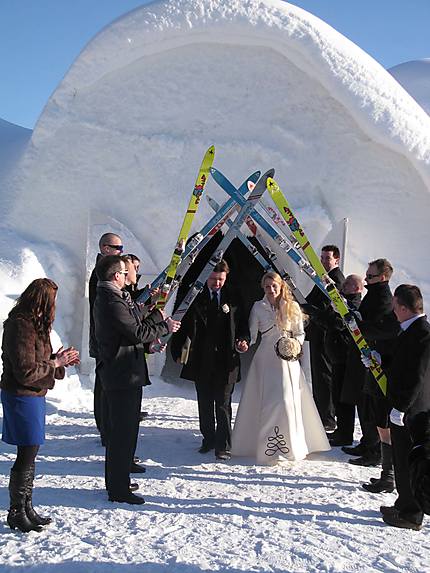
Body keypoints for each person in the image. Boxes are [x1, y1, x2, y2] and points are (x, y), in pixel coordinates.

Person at [93, 255, 180, 504]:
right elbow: (137, 332)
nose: (127, 275)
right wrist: (164, 326)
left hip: (126, 372)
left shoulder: (115, 298)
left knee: (127, 430)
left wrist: (154, 316)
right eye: (124, 272)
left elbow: (134, 326)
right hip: (121, 375)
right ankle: (118, 489)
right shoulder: (111, 301)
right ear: (115, 275)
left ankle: (120, 478)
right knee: (121, 432)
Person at [1, 278, 79, 533]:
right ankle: (16, 511)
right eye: (53, 300)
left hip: (34, 395)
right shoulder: (21, 326)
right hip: (22, 395)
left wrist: (58, 360)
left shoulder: (36, 325)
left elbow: (40, 362)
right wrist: (54, 364)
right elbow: (25, 371)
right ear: (42, 300)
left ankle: (26, 506)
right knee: (26, 453)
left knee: (31, 452)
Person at [232, 271, 330, 464]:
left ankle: (290, 445)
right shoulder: (257, 307)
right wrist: (243, 343)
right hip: (265, 360)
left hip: (287, 359)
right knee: (268, 401)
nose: (271, 290)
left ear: (281, 287)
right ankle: (265, 446)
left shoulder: (292, 306)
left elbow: (300, 333)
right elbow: (252, 335)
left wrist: (294, 345)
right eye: (267, 287)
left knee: (286, 400)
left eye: (274, 286)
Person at [364, 284, 430, 530]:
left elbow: (416, 377)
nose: (392, 311)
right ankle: (403, 504)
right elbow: (402, 365)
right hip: (403, 407)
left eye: (394, 306)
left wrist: (401, 408)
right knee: (401, 459)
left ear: (403, 308)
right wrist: (381, 361)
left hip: (413, 412)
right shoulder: (410, 330)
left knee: (410, 461)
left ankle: (412, 515)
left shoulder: (423, 334)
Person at [170, 259, 249, 461]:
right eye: (213, 279)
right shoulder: (193, 295)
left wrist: (243, 340)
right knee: (204, 402)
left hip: (226, 359)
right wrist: (177, 350)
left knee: (223, 403)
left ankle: (223, 445)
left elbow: (242, 324)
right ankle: (209, 438)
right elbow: (181, 322)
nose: (217, 283)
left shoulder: (234, 296)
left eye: (220, 279)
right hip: (201, 358)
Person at [344, 259, 400, 479]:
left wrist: (360, 324)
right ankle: (367, 443)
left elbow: (380, 327)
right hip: (368, 355)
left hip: (378, 357)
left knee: (373, 406)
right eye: (366, 276)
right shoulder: (375, 294)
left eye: (370, 277)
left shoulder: (385, 298)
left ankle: (374, 450)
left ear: (382, 277)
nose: (367, 280)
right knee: (364, 402)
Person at [89, 232, 124, 446]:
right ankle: (105, 426)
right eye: (117, 247)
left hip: (104, 338)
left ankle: (108, 423)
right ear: (105, 248)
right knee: (104, 384)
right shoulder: (101, 275)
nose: (121, 251)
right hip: (104, 339)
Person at [321, 274, 364, 447]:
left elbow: (339, 324)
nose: (343, 287)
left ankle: (345, 434)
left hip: (345, 357)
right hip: (338, 356)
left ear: (357, 289)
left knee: (343, 398)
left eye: (347, 285)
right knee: (338, 395)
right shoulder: (343, 303)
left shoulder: (353, 305)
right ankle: (341, 431)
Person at [305, 245, 344, 431]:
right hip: (318, 332)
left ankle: (327, 417)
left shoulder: (335, 280)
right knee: (318, 375)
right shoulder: (324, 278)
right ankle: (322, 414)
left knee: (324, 375)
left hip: (325, 334)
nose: (323, 262)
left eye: (327, 258)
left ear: (337, 260)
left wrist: (307, 308)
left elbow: (324, 306)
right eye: (321, 258)